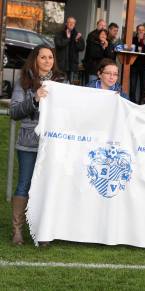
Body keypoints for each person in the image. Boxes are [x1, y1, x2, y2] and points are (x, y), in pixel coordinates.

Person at [10, 44, 67, 245]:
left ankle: (43, 230)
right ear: (35, 59)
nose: (47, 61)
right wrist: (34, 98)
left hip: (52, 144)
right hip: (28, 143)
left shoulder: (61, 82)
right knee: (24, 184)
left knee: (47, 185)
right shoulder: (23, 82)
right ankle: (17, 230)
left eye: (50, 57)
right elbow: (14, 112)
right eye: (43, 57)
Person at [54, 16, 85, 83]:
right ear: (66, 24)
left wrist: (77, 41)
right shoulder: (60, 33)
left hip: (72, 65)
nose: (71, 24)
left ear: (75, 24)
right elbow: (58, 44)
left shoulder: (77, 34)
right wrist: (67, 39)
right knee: (60, 83)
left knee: (70, 85)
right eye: (69, 22)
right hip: (61, 65)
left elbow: (82, 48)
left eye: (73, 23)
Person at [130, 24, 145, 104]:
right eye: (139, 30)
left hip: (144, 65)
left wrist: (144, 43)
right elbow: (131, 49)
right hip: (134, 64)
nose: (141, 31)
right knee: (133, 84)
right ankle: (132, 101)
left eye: (142, 30)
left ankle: (141, 102)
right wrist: (138, 40)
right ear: (137, 31)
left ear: (144, 31)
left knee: (143, 85)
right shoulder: (133, 39)